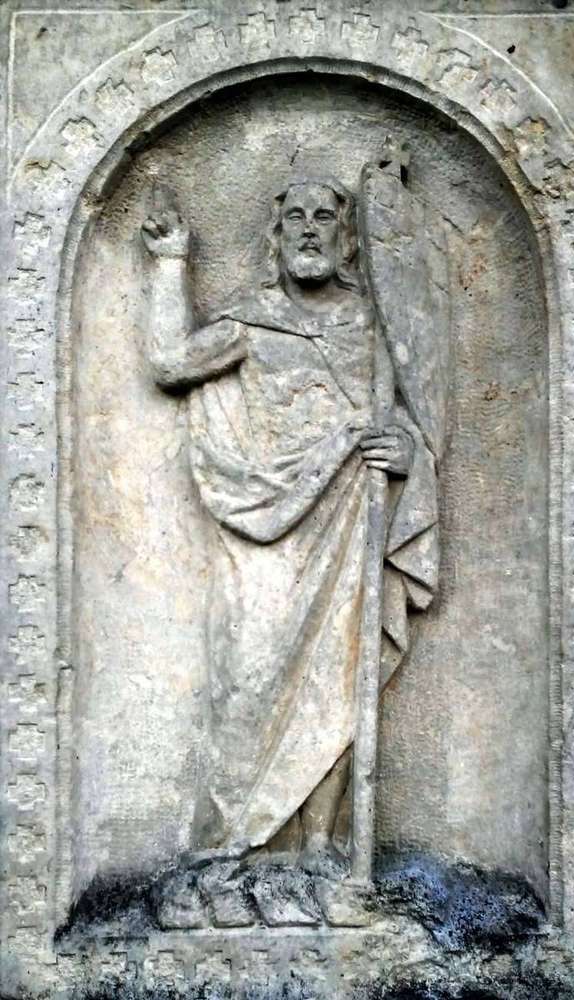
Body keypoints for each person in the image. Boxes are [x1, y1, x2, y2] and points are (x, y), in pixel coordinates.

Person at [141, 175, 438, 876]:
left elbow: (416, 427)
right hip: (261, 532)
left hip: (348, 523)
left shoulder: (375, 329)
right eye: (295, 217)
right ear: (275, 240)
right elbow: (169, 363)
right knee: (246, 682)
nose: (309, 228)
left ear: (348, 240)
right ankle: (232, 848)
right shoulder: (253, 322)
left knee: (337, 683)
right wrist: (170, 260)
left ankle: (318, 849)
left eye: (324, 216)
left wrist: (406, 455)